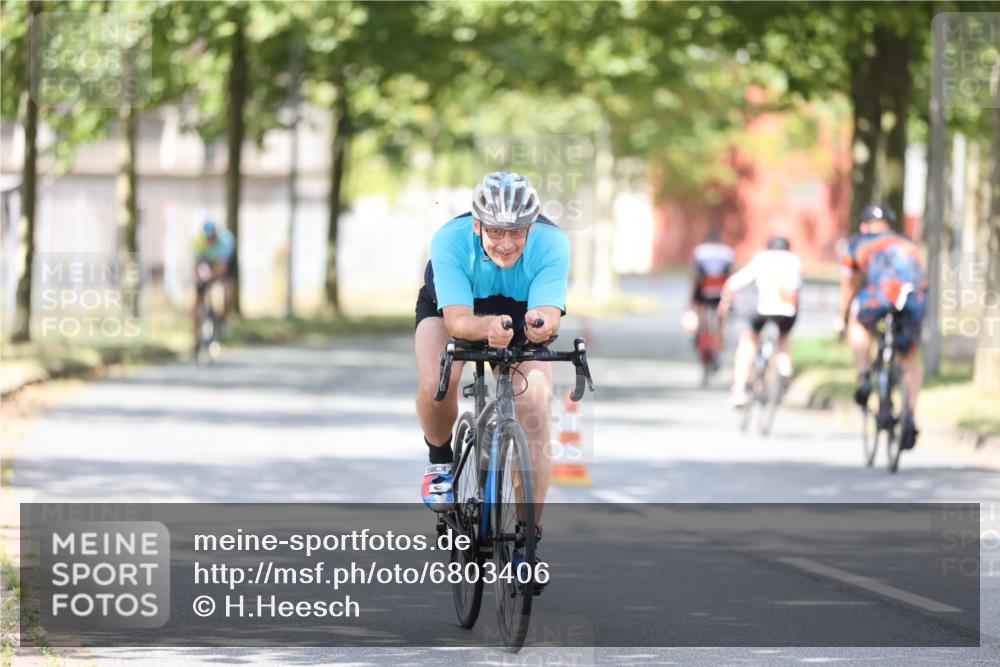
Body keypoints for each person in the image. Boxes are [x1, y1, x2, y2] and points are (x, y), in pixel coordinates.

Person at [414, 171, 569, 583]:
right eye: (496, 231)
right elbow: (459, 321)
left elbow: (549, 314)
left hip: (520, 309)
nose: (506, 242)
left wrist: (539, 325)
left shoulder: (552, 243)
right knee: (437, 383)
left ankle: (527, 541)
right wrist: (486, 330)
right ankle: (440, 462)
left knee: (535, 402)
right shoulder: (450, 239)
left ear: (531, 227)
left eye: (517, 232)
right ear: (477, 224)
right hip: (454, 307)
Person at [839, 203, 927, 450]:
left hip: (881, 294)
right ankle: (909, 415)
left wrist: (843, 315)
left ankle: (865, 376)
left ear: (864, 225)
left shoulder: (858, 243)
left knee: (857, 322)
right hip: (913, 296)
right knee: (909, 359)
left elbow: (849, 284)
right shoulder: (908, 241)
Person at [719, 235, 802, 408]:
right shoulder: (794, 261)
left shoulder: (762, 259)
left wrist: (726, 303)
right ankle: (784, 367)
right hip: (789, 309)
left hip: (763, 308)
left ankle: (739, 389)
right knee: (784, 336)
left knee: (748, 338)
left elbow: (734, 283)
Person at [685, 232, 734, 365]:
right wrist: (731, 299)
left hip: (704, 289)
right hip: (720, 290)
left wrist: (692, 296)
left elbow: (694, 274)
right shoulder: (727, 252)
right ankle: (718, 351)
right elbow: (729, 274)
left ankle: (696, 332)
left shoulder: (700, 251)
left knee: (697, 310)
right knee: (721, 321)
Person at [192, 221, 236, 349]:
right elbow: (197, 265)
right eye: (208, 238)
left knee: (227, 290)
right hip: (207, 264)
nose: (210, 240)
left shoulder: (226, 243)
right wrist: (201, 278)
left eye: (212, 238)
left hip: (223, 266)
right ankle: (196, 338)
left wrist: (212, 277)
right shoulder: (198, 243)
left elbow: (223, 267)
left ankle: (223, 318)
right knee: (197, 302)